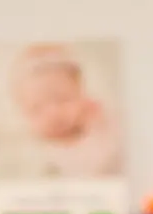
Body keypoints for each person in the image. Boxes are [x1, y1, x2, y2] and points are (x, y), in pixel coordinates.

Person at [6, 44, 123, 178]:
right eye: (36, 108)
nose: (53, 113)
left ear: (81, 93)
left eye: (62, 99)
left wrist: (99, 120)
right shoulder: (37, 154)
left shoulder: (100, 123)